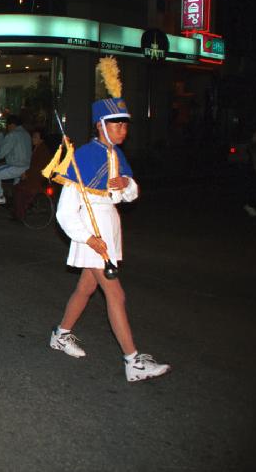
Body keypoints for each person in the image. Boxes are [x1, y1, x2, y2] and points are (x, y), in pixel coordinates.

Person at [49, 59, 169, 383]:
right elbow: (64, 212)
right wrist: (88, 239)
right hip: (93, 233)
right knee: (116, 296)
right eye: (117, 125)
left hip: (109, 227)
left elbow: (129, 195)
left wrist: (126, 185)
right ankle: (133, 361)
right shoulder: (84, 156)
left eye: (126, 125)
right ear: (101, 125)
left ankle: (60, 335)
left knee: (86, 288)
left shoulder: (116, 155)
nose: (123, 131)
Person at [0, 114, 31, 204]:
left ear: (11, 125)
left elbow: (2, 151)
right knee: (16, 189)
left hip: (17, 166)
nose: (7, 128)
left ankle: (0, 196)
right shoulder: (26, 134)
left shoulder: (13, 135)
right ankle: (17, 206)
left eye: (7, 126)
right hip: (27, 166)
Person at [12, 128, 53, 221]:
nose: (33, 139)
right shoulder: (39, 148)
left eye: (35, 137)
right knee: (19, 187)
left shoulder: (42, 150)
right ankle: (21, 210)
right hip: (37, 178)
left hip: (38, 180)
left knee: (19, 190)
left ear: (41, 139)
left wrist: (26, 174)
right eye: (33, 137)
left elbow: (38, 168)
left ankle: (20, 215)